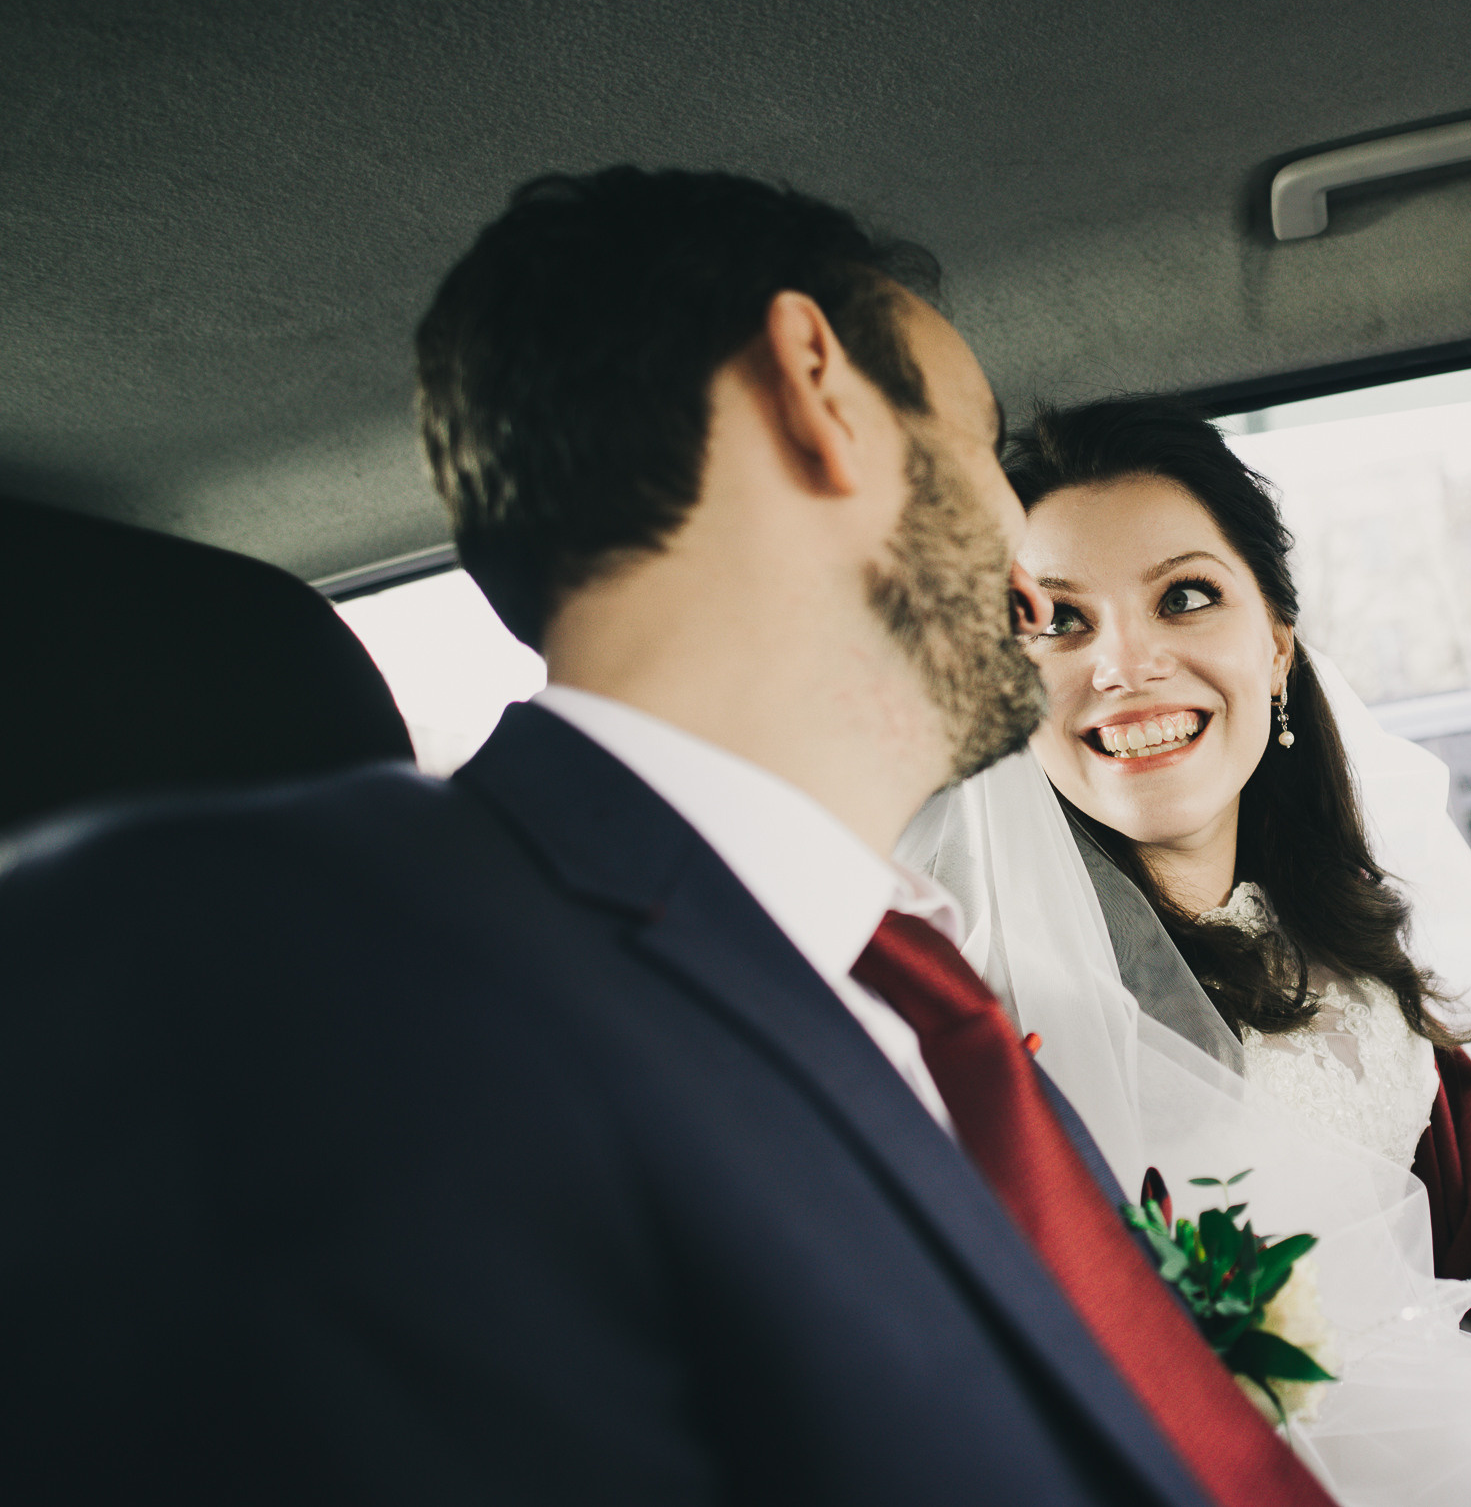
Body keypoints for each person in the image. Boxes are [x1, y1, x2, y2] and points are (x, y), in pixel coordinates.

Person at [0, 172, 1338, 1507]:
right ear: (820, 387)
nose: (1033, 578)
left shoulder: (926, 1012)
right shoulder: (259, 972)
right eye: (984, 446)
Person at [900, 397, 1471, 1507]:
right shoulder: (985, 1011)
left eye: (1184, 596)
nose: (1125, 665)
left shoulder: (1354, 939)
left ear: (1276, 644)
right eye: (1058, 621)